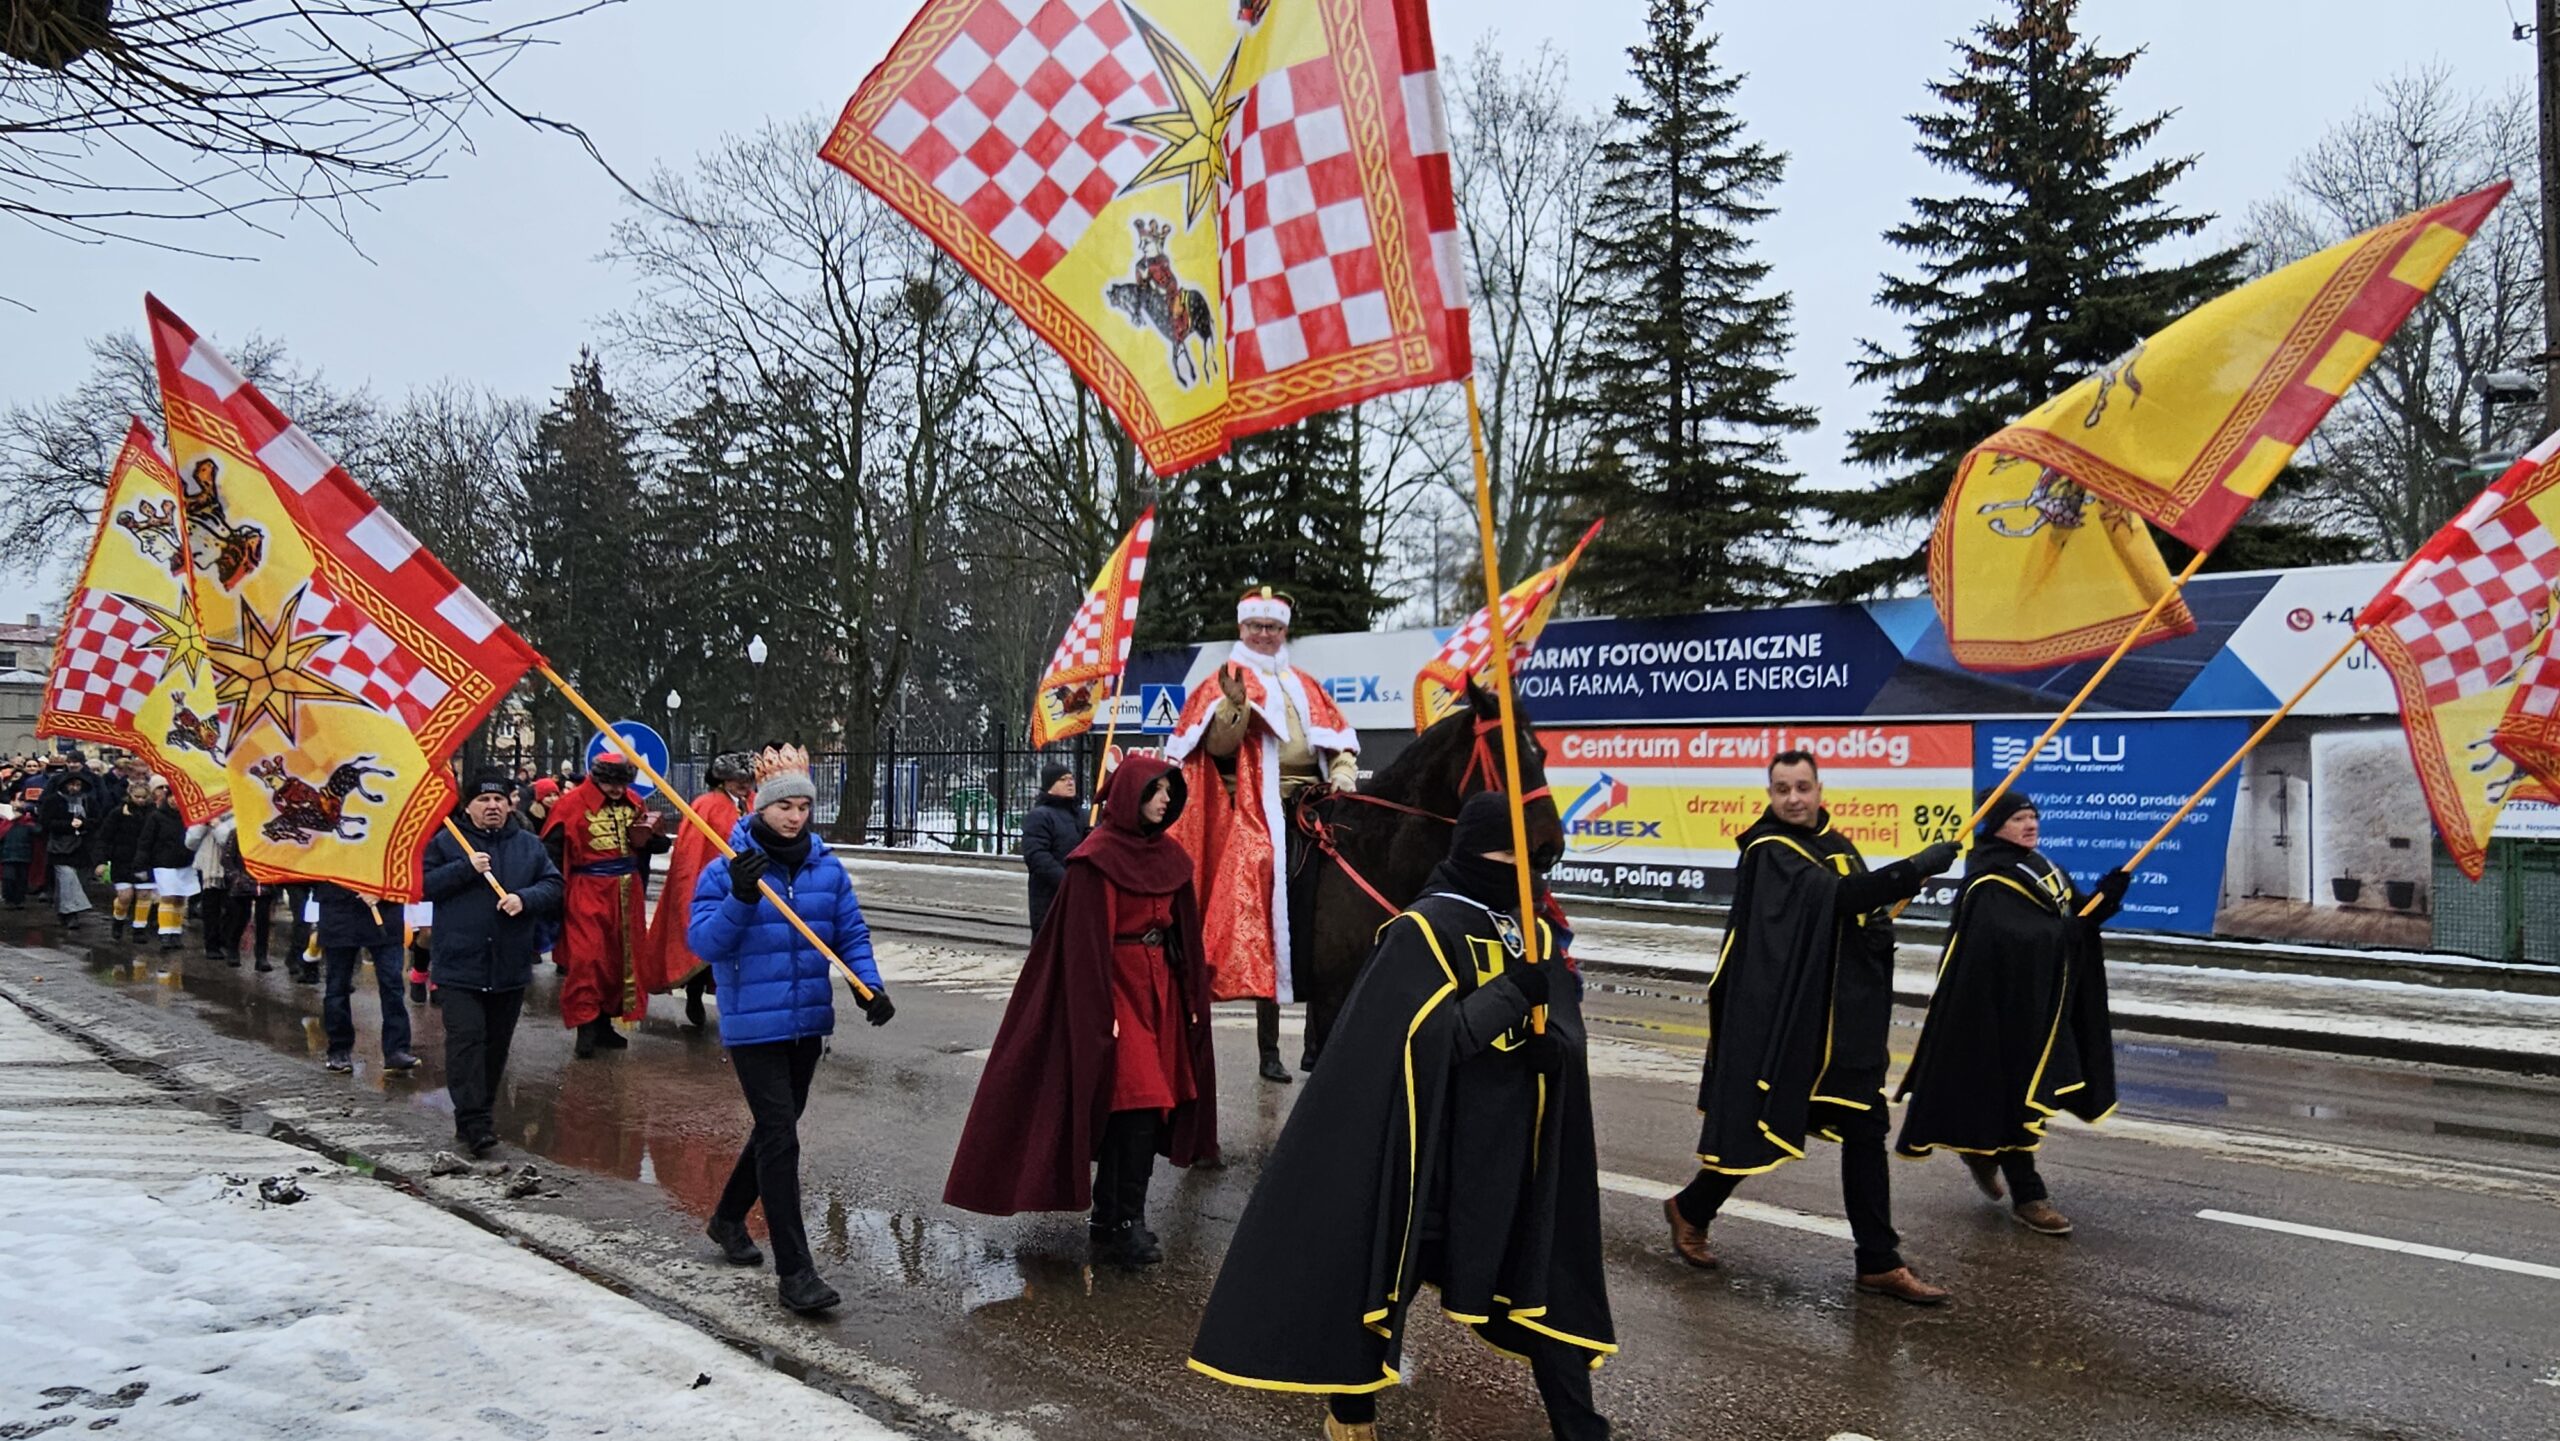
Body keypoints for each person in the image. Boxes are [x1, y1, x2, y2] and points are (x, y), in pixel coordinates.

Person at [1190, 793, 1614, 1440]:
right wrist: (1509, 997)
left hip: (1502, 1158)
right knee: (1384, 1283)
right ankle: (1350, 1415)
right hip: (1434, 1159)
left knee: (1540, 1279)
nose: (1519, 870)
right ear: (1474, 853)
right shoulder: (1423, 929)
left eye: (1525, 858)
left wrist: (1553, 1040)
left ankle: (1581, 1426)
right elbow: (1425, 1039)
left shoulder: (1528, 926)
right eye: (1507, 855)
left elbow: (1553, 1021)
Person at [1661, 749, 1962, 1306]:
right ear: (1770, 795)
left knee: (1866, 1128)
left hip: (1839, 1026)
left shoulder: (1834, 845)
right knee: (1766, 1123)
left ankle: (1878, 1261)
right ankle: (1692, 1207)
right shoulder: (1769, 850)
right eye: (1783, 789)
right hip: (1793, 1024)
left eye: (1803, 787)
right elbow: (1837, 899)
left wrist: (1888, 901)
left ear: (1821, 789)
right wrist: (1913, 867)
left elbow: (1852, 911)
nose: (1794, 798)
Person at [946, 754, 1217, 1266]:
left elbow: (1184, 931)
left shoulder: (1171, 855)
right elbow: (1086, 944)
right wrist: (1099, 1011)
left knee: (1147, 1108)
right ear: (1130, 796)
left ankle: (1113, 1216)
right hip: (1117, 990)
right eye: (1155, 790)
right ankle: (1124, 1221)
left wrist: (1192, 993)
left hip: (1162, 990)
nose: (1165, 799)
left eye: (1167, 791)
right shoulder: (1096, 859)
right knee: (1138, 1102)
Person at [687, 745, 894, 1315]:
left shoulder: (825, 866)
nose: (794, 816)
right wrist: (742, 896)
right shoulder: (728, 865)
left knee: (774, 1131)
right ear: (761, 806)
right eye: (784, 806)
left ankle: (728, 1219)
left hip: (807, 1024)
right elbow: (704, 944)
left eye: (803, 806)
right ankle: (796, 1273)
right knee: (781, 1137)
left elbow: (850, 933)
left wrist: (867, 986)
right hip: (754, 1026)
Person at [1895, 793, 2129, 1237]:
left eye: (2033, 816)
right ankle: (2029, 1195)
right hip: (1991, 1007)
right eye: (2018, 817)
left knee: (2014, 1094)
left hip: (2036, 1002)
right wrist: (2073, 928)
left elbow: (2072, 919)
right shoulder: (1989, 878)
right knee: (2011, 1095)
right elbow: (2019, 939)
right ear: (1995, 824)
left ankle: (1983, 1152)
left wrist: (2106, 898)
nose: (2029, 824)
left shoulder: (2042, 865)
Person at [1163, 585, 1361, 1084]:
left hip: (1315, 801)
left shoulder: (1306, 684)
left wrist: (1341, 779)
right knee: (1261, 871)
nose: (1266, 634)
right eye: (1257, 627)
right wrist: (1236, 709)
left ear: (1284, 630)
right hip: (1257, 804)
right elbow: (1217, 746)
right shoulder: (1225, 680)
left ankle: (1322, 1037)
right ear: (1242, 628)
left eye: (1273, 627)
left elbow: (1341, 745)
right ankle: (1268, 1048)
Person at [424, 771, 566, 1157]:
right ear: (468, 806)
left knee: (495, 1047)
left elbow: (554, 885)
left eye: (499, 800)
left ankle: (477, 1113)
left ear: (510, 804)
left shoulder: (529, 846)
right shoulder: (448, 842)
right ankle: (475, 1123)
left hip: (508, 966)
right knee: (466, 1043)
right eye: (483, 801)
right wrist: (464, 868)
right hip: (459, 966)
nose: (492, 807)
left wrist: (525, 898)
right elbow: (424, 885)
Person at [541, 751, 669, 1057]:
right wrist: (554, 894)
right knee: (588, 959)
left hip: (628, 892)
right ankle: (585, 1026)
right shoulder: (569, 806)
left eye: (621, 784)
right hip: (588, 891)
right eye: (610, 784)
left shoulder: (635, 802)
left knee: (621, 960)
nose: (615, 790)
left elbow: (644, 845)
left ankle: (604, 1024)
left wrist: (654, 841)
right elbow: (552, 851)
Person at [639, 751, 756, 1030]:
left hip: (746, 887)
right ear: (722, 780)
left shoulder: (754, 804)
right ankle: (694, 993)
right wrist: (689, 891)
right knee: (707, 945)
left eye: (747, 780)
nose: (744, 785)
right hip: (711, 886)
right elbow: (690, 854)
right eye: (737, 780)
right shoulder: (705, 805)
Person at [314, 883, 420, 1075]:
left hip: (384, 911)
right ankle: (339, 1049)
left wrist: (383, 891)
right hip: (339, 912)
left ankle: (396, 1049)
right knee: (337, 986)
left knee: (392, 984)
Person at [1018, 761, 1088, 931]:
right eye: (1063, 780)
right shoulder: (1039, 816)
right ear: (1050, 786)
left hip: (1083, 894)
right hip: (1050, 897)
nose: (1070, 783)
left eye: (1071, 779)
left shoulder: (1084, 815)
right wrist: (1066, 881)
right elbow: (1037, 856)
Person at [134, 778, 196, 951]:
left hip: (185, 863)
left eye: (179, 797)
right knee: (167, 896)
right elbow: (146, 841)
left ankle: (176, 932)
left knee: (180, 898)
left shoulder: (189, 817)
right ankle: (165, 934)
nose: (175, 800)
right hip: (163, 863)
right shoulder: (156, 816)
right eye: (172, 796)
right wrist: (141, 863)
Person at [94, 777, 154, 941]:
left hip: (145, 860)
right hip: (122, 860)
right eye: (137, 797)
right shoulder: (118, 813)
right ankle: (118, 919)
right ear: (130, 795)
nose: (141, 800)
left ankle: (139, 929)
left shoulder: (154, 813)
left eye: (144, 797)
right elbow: (104, 837)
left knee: (144, 894)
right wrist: (101, 861)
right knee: (125, 896)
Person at [36, 766, 94, 930]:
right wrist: (68, 825)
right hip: (60, 846)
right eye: (71, 784)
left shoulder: (87, 801)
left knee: (79, 881)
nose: (74, 788)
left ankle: (65, 910)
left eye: (77, 785)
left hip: (82, 846)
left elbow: (97, 820)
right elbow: (45, 822)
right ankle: (71, 914)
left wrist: (84, 824)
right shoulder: (53, 801)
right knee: (67, 878)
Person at [188, 809, 238, 963]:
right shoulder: (203, 814)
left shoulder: (237, 816)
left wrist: (217, 825)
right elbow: (190, 843)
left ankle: (227, 940)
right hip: (208, 869)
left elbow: (228, 841)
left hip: (232, 868)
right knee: (210, 908)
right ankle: (211, 945)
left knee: (232, 907)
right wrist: (202, 824)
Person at [0, 798, 36, 908]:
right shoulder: (5, 825)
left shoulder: (28, 825)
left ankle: (18, 900)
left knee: (21, 880)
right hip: (9, 856)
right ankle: (10, 899)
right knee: (9, 879)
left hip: (22, 856)